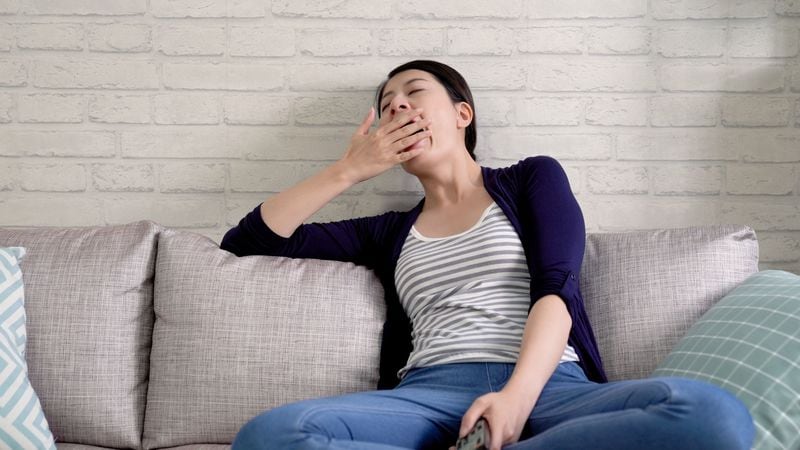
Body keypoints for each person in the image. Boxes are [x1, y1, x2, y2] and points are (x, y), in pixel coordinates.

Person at [220, 60, 755, 450]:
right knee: (272, 435)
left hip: (550, 387)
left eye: (413, 93)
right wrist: (350, 170)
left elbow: (557, 287)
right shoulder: (386, 232)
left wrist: (516, 398)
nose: (397, 106)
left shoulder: (530, 180)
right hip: (429, 395)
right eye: (386, 107)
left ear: (462, 114)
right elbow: (251, 242)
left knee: (712, 415)